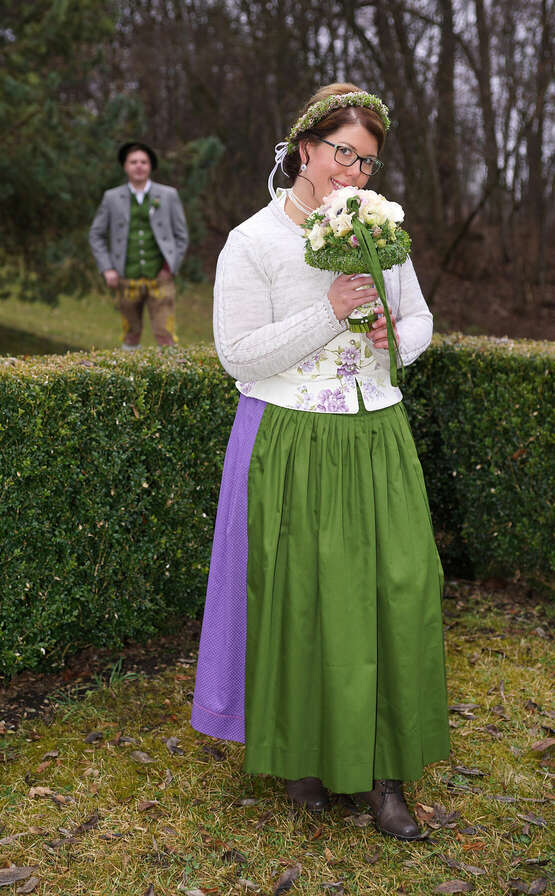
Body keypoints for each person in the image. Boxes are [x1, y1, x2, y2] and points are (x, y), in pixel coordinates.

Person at [191, 83, 449, 840]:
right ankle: (305, 755)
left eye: (367, 163)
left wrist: (393, 341)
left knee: (395, 592)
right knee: (304, 600)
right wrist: (329, 309)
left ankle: (384, 776)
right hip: (293, 439)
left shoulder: (382, 233)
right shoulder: (254, 241)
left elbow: (420, 318)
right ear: (304, 148)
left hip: (376, 437)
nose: (355, 175)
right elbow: (237, 356)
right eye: (344, 154)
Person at [89, 142, 189, 349]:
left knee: (165, 334)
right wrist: (107, 268)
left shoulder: (169, 195)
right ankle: (131, 378)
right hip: (126, 278)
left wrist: (170, 268)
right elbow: (96, 234)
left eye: (144, 162)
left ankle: (171, 376)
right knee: (130, 334)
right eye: (133, 162)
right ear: (125, 166)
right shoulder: (111, 197)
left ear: (150, 166)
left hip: (161, 279)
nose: (139, 166)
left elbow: (181, 236)